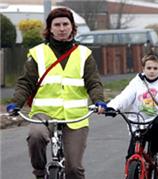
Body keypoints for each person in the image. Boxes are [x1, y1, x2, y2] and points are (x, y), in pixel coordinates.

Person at [6, 8, 105, 179]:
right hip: (44, 113)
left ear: (72, 27)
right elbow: (26, 83)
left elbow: (93, 82)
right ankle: (39, 172)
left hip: (75, 117)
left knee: (73, 169)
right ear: (50, 29)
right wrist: (16, 103)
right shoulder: (38, 53)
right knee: (35, 136)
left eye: (65, 24)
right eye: (57, 24)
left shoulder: (84, 54)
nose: (61, 28)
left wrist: (99, 101)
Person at [102, 54, 158, 170]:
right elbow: (125, 96)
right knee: (131, 156)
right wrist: (112, 107)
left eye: (155, 68)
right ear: (143, 68)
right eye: (149, 68)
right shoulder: (137, 81)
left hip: (156, 122)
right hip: (138, 123)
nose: (152, 71)